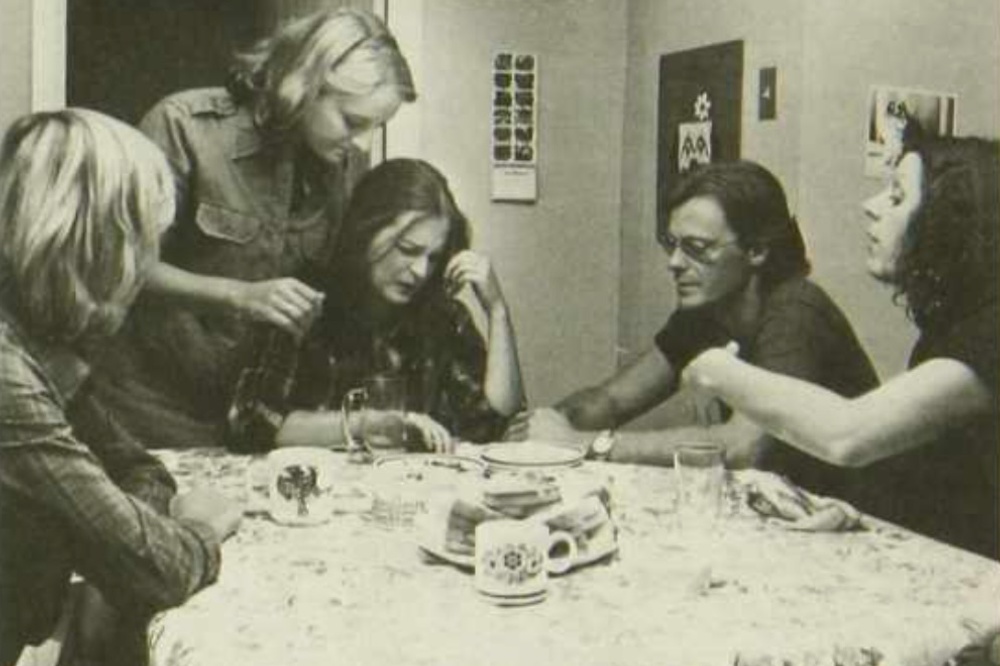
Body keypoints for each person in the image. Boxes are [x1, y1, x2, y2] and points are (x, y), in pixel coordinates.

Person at [89, 8, 417, 449]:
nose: (362, 143)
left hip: (245, 416)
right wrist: (239, 296)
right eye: (353, 121)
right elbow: (116, 268)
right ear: (304, 84)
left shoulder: (340, 169)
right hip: (143, 408)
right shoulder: (184, 126)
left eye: (376, 127)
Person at [0, 110, 242, 666]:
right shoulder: (8, 372)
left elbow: (138, 468)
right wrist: (199, 526)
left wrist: (130, 535)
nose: (145, 267)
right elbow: (157, 570)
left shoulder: (38, 337)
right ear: (92, 240)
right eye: (143, 242)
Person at [684, 136, 999, 559]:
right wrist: (860, 513)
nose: (871, 205)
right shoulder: (952, 327)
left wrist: (715, 369)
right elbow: (954, 483)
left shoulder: (989, 332)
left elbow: (847, 434)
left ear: (949, 224)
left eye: (897, 196)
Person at [508, 160, 878, 497]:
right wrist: (543, 428)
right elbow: (612, 400)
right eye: (673, 245)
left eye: (696, 248)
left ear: (756, 251)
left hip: (855, 519)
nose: (674, 262)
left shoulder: (796, 311)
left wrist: (584, 444)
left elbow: (744, 446)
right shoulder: (707, 312)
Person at [227, 158, 525, 453]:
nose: (421, 271)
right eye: (408, 250)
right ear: (365, 232)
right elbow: (251, 423)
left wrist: (497, 311)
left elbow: (494, 426)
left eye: (433, 258)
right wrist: (372, 423)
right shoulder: (305, 299)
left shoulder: (443, 316)